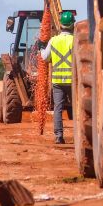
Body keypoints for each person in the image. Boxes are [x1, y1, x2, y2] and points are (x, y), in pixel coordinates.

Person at [40, 11, 74, 144]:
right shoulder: (75, 40)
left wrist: (41, 49)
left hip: (57, 81)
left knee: (58, 109)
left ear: (60, 25)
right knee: (77, 109)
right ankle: (81, 134)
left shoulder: (53, 40)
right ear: (72, 25)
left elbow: (45, 57)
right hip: (72, 81)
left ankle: (59, 136)